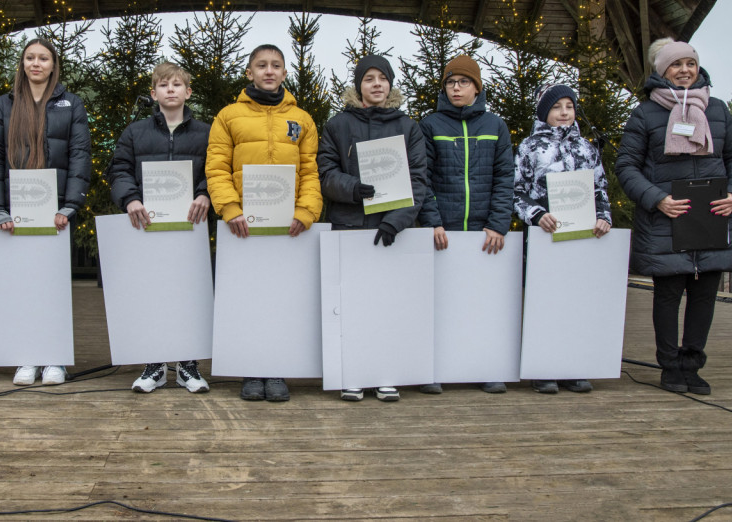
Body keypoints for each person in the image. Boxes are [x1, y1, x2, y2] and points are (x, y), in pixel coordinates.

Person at [615, 38, 732, 396]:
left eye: (690, 63)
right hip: (667, 219)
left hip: (712, 214)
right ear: (662, 71)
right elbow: (626, 166)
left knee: (705, 294)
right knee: (669, 294)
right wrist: (657, 199)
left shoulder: (717, 109)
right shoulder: (645, 113)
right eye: (676, 65)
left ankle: (692, 364)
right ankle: (670, 367)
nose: (685, 70)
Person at [206, 44, 322, 402]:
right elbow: (217, 167)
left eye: (275, 66)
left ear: (284, 74)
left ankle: (276, 370)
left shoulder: (302, 119)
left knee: (283, 300)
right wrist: (229, 208)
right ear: (249, 72)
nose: (268, 71)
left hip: (289, 229)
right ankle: (250, 370)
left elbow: (310, 171)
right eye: (261, 65)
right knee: (247, 299)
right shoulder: (228, 116)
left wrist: (306, 211)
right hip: (243, 228)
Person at [318, 54, 427, 402]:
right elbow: (325, 172)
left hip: (391, 231)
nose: (377, 84)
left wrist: (397, 221)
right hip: (349, 227)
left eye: (383, 78)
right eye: (369, 79)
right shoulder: (337, 125)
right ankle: (352, 373)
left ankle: (385, 374)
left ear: (390, 84)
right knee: (349, 305)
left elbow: (418, 181)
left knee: (387, 305)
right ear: (359, 85)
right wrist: (351, 189)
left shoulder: (408, 127)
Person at [0, 37, 91, 386]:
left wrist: (70, 205)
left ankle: (55, 358)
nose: (36, 63)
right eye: (30, 57)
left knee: (54, 286)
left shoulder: (71, 104)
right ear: (23, 64)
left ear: (53, 64)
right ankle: (26, 357)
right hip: (16, 212)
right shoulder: (4, 105)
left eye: (43, 58)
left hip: (56, 212)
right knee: (22, 285)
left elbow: (79, 156)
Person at [106, 61, 212, 394]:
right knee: (151, 292)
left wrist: (205, 194)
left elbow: (218, 169)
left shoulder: (207, 133)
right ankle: (154, 365)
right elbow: (118, 170)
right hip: (147, 227)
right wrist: (130, 199)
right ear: (154, 93)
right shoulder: (135, 132)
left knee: (189, 292)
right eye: (164, 85)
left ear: (188, 91)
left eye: (177, 84)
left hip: (190, 228)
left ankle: (187, 366)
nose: (171, 90)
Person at [417, 54, 514, 394]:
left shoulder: (495, 126)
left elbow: (505, 177)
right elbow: (422, 178)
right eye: (451, 83)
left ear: (477, 87)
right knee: (439, 304)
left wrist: (498, 224)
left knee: (481, 303)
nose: (456, 88)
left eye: (464, 82)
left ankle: (484, 367)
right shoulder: (430, 125)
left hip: (483, 234)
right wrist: (432, 222)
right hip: (443, 232)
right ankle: (435, 369)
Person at [514, 83, 612, 394]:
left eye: (569, 106)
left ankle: (574, 366)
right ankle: (544, 368)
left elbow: (601, 191)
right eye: (557, 107)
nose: (564, 112)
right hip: (545, 237)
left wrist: (604, 217)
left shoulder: (587, 148)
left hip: (582, 238)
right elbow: (516, 193)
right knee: (545, 302)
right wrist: (535, 214)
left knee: (577, 302)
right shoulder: (529, 148)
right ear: (545, 112)